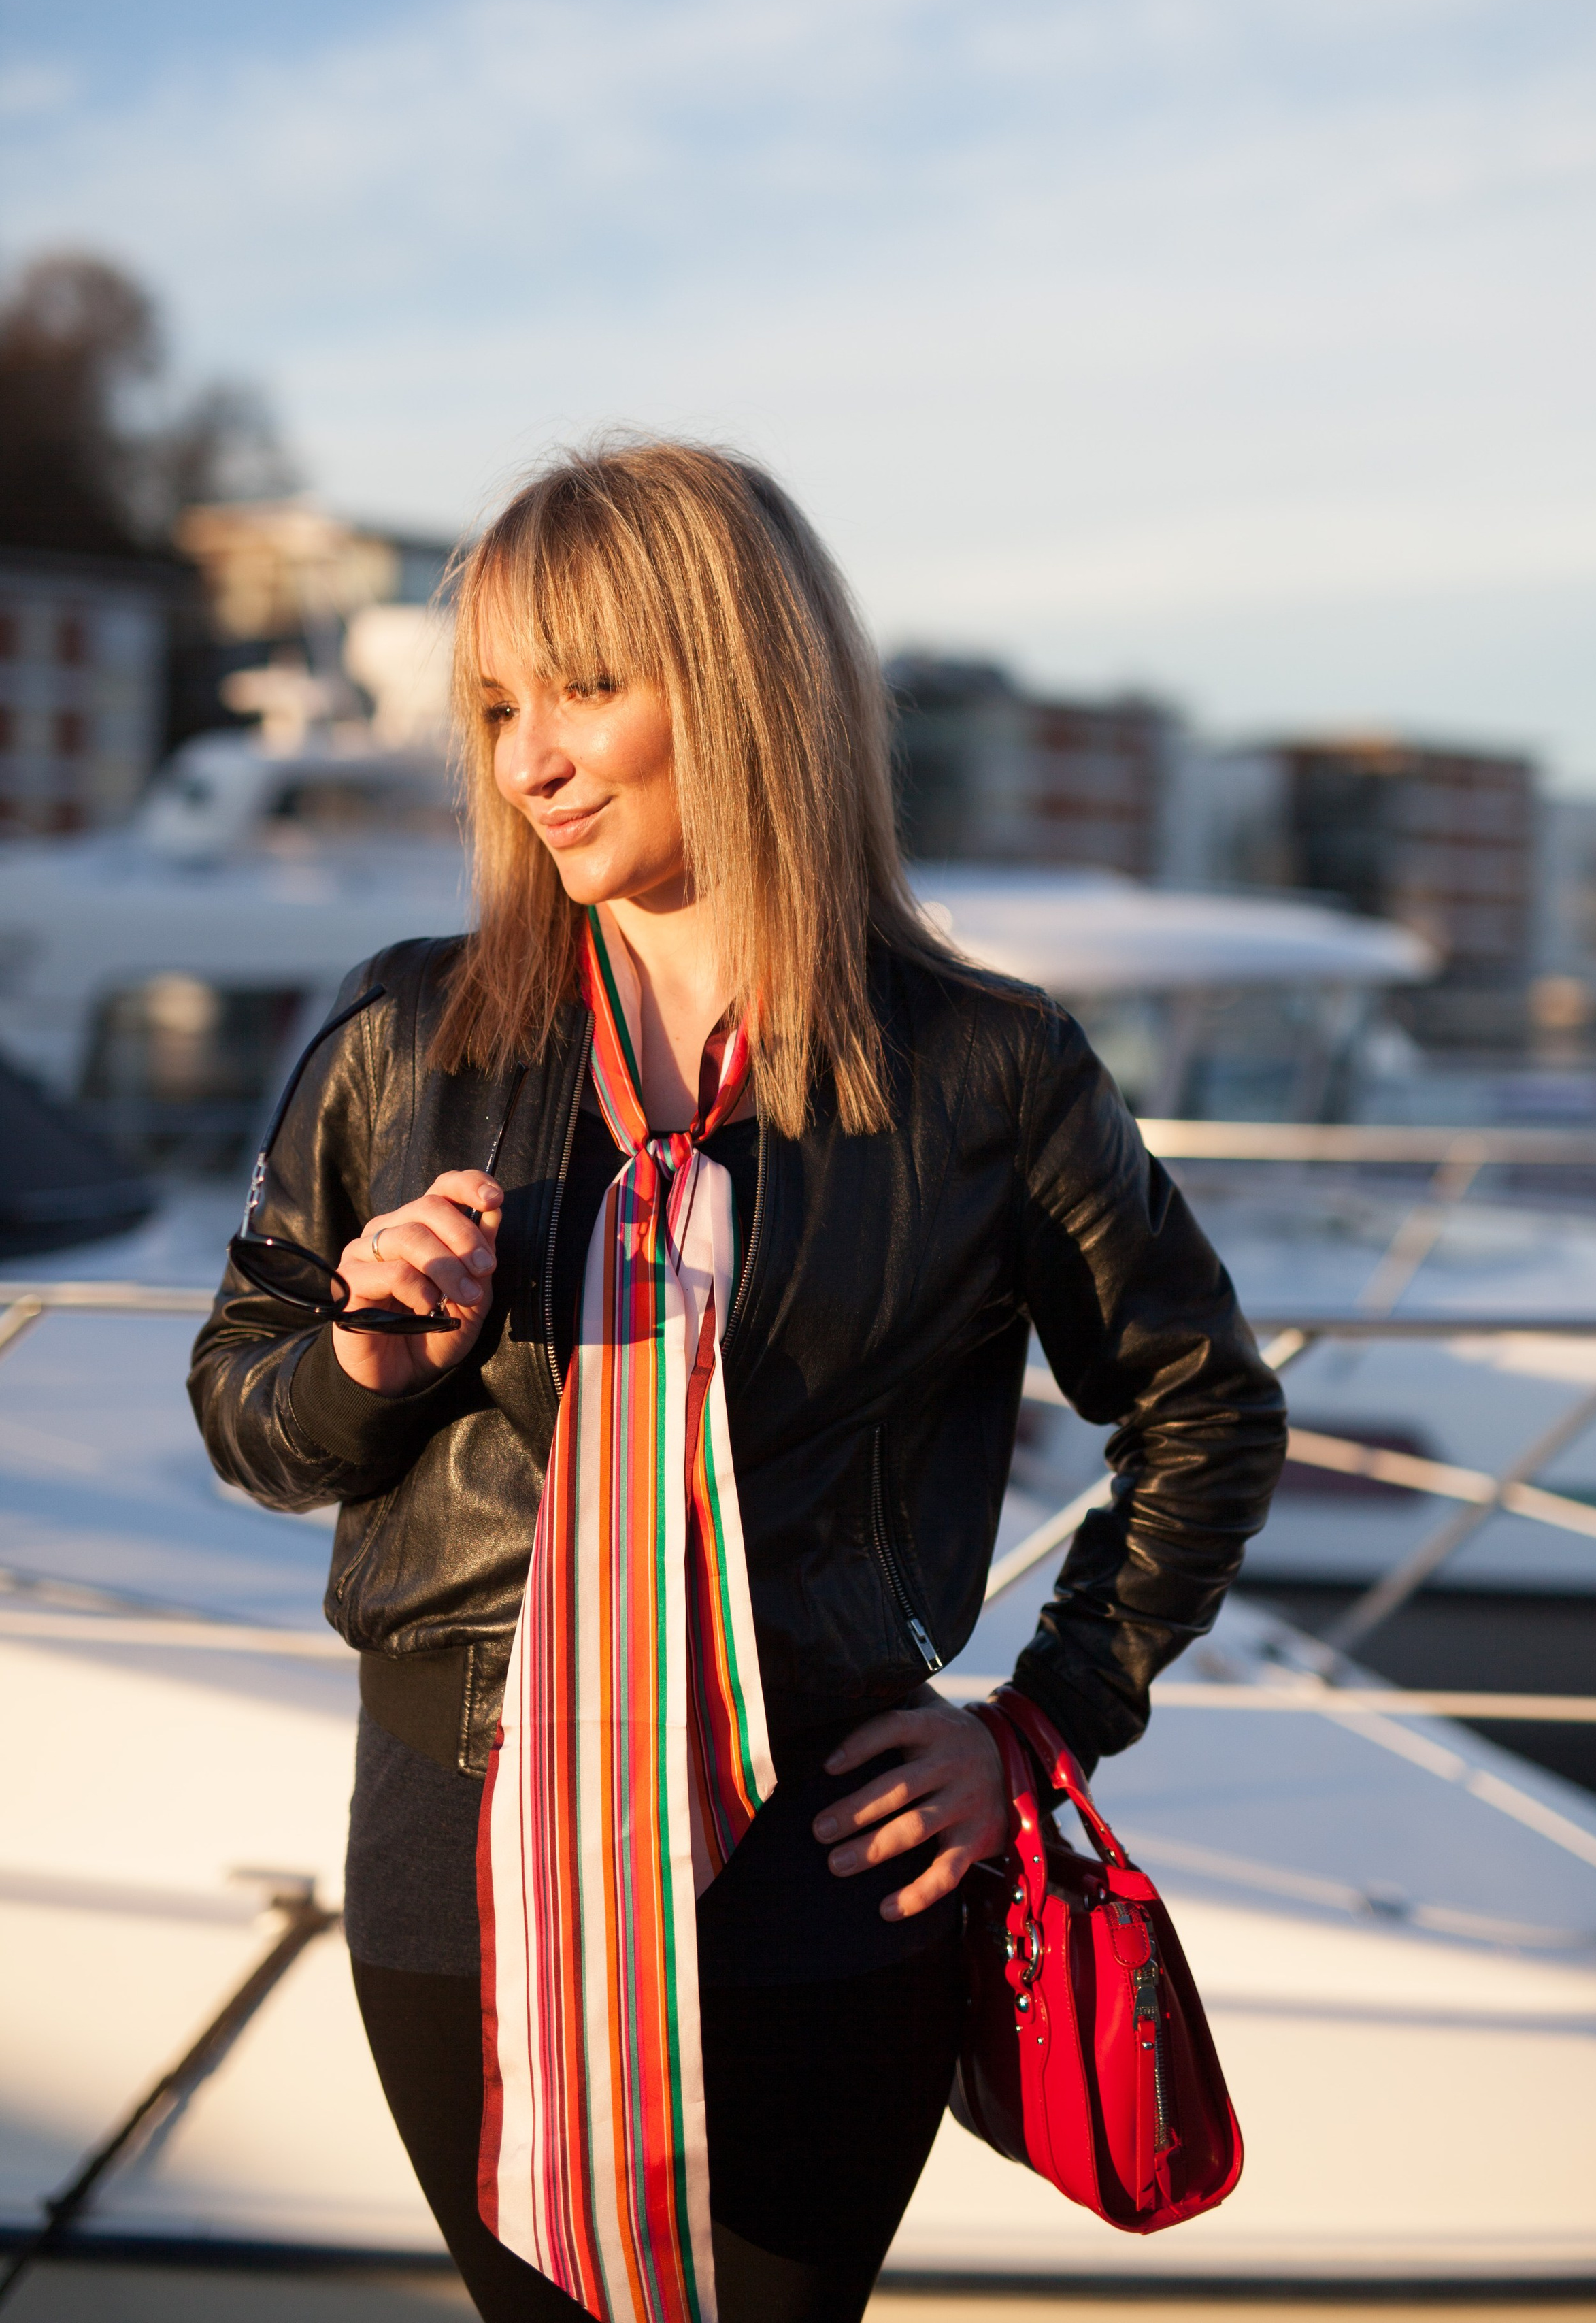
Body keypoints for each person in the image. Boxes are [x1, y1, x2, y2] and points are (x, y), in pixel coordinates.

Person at [189, 442, 1287, 2323]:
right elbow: (247, 1401)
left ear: (747, 679)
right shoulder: (402, 1030)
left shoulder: (981, 1069)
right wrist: (370, 1352)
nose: (529, 760)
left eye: (589, 689)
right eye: (497, 708)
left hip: (824, 1862)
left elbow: (1205, 1408)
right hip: (463, 1848)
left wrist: (1039, 1723)